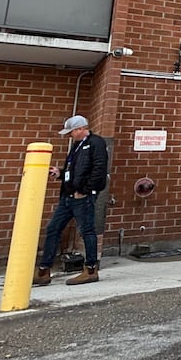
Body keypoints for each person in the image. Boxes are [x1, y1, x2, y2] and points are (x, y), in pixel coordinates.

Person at [34, 114, 108, 286]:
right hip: (68, 195)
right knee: (53, 228)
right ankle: (44, 270)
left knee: (87, 230)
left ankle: (90, 269)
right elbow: (75, 170)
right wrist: (60, 173)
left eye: (71, 132)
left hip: (82, 196)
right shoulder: (76, 146)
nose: (69, 135)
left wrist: (84, 190)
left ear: (81, 129)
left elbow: (99, 169)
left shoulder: (95, 143)